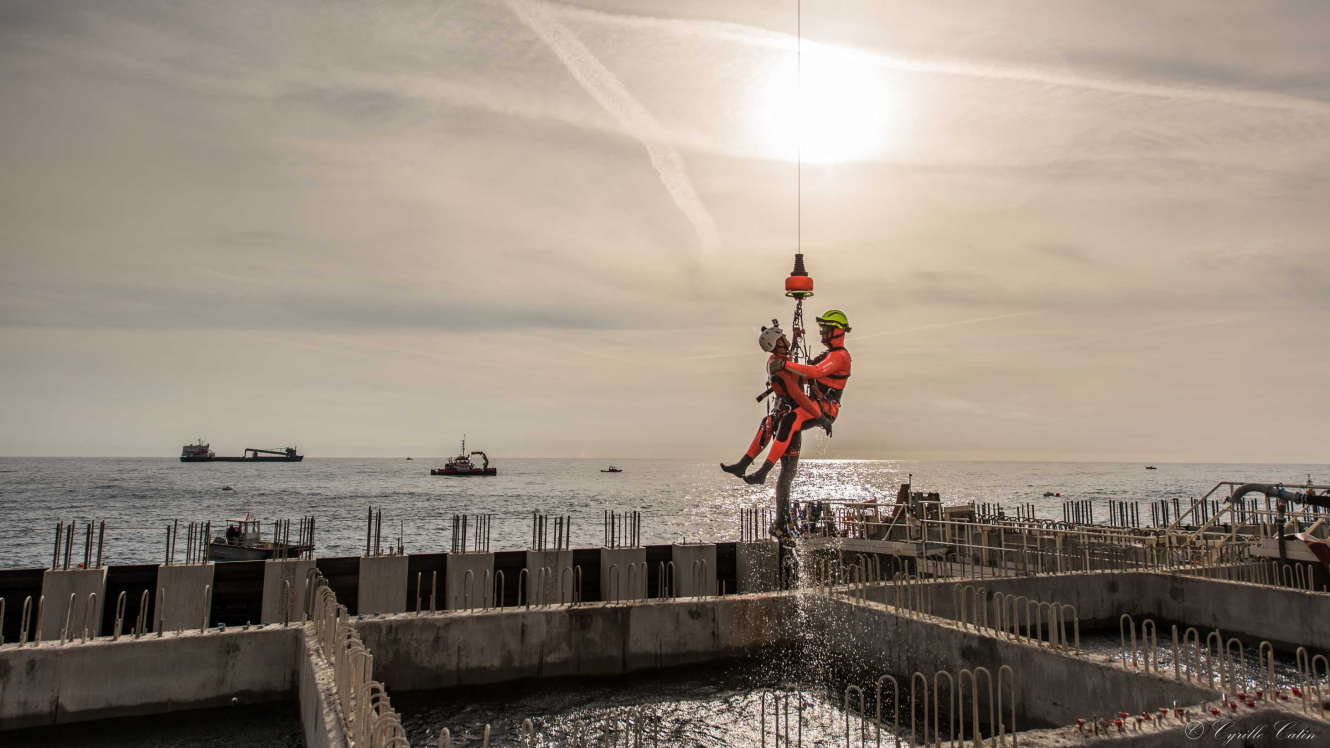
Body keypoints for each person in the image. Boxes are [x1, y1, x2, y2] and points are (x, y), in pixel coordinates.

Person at [720, 321, 834, 485]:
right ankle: (759, 472)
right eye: (783, 337)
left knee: (767, 424)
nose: (786, 338)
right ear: (778, 342)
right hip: (792, 412)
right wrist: (821, 418)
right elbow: (799, 396)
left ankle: (743, 465)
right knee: (787, 469)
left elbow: (798, 372)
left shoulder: (776, 361)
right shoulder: (780, 369)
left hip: (780, 410)